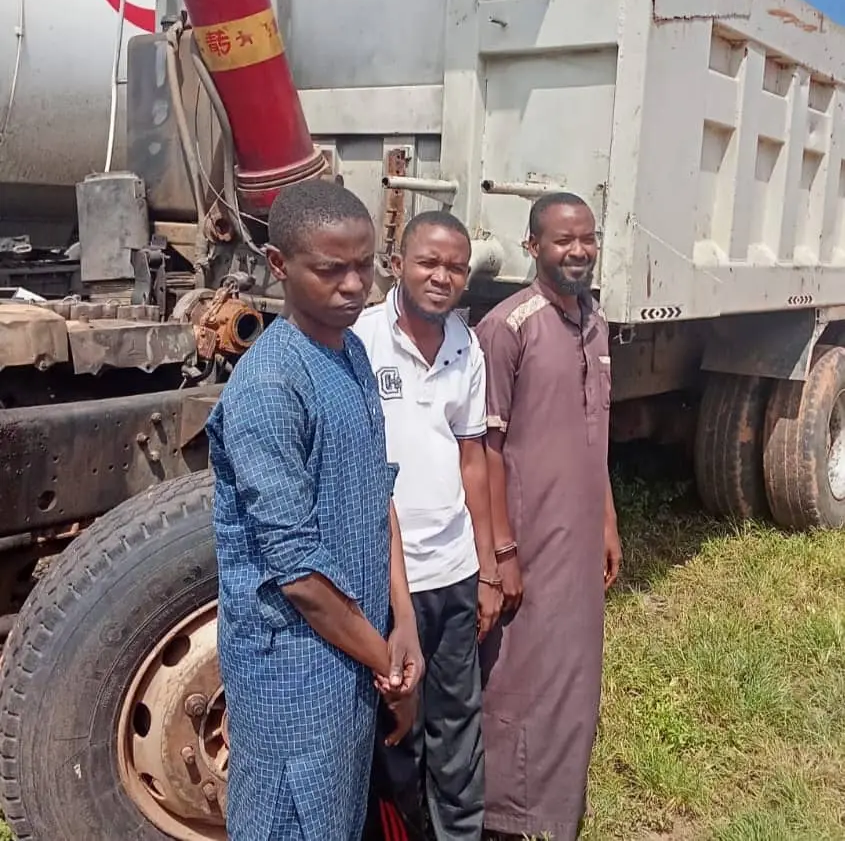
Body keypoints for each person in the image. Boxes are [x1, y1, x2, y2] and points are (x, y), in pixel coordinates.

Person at [207, 179, 425, 841]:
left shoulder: (351, 351)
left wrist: (405, 617)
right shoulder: (271, 385)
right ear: (279, 266)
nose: (354, 284)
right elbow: (298, 572)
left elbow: (374, 490)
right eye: (332, 269)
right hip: (292, 677)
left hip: (356, 657)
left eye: (365, 264)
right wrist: (388, 665)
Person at [475, 192, 623, 841]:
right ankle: (504, 813)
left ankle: (558, 810)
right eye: (563, 240)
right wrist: (500, 553)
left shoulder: (595, 321)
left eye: (586, 238)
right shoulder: (508, 327)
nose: (578, 251)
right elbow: (483, 449)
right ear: (532, 246)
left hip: (576, 539)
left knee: (573, 672)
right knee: (519, 672)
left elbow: (597, 435)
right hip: (525, 542)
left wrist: (607, 523)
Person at [354, 211, 502, 840]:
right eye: (429, 262)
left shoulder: (468, 346)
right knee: (394, 724)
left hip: (454, 569)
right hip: (385, 577)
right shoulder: (359, 338)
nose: (442, 277)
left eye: (455, 267)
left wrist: (490, 566)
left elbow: (474, 458)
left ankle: (459, 832)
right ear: (398, 263)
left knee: (457, 717)